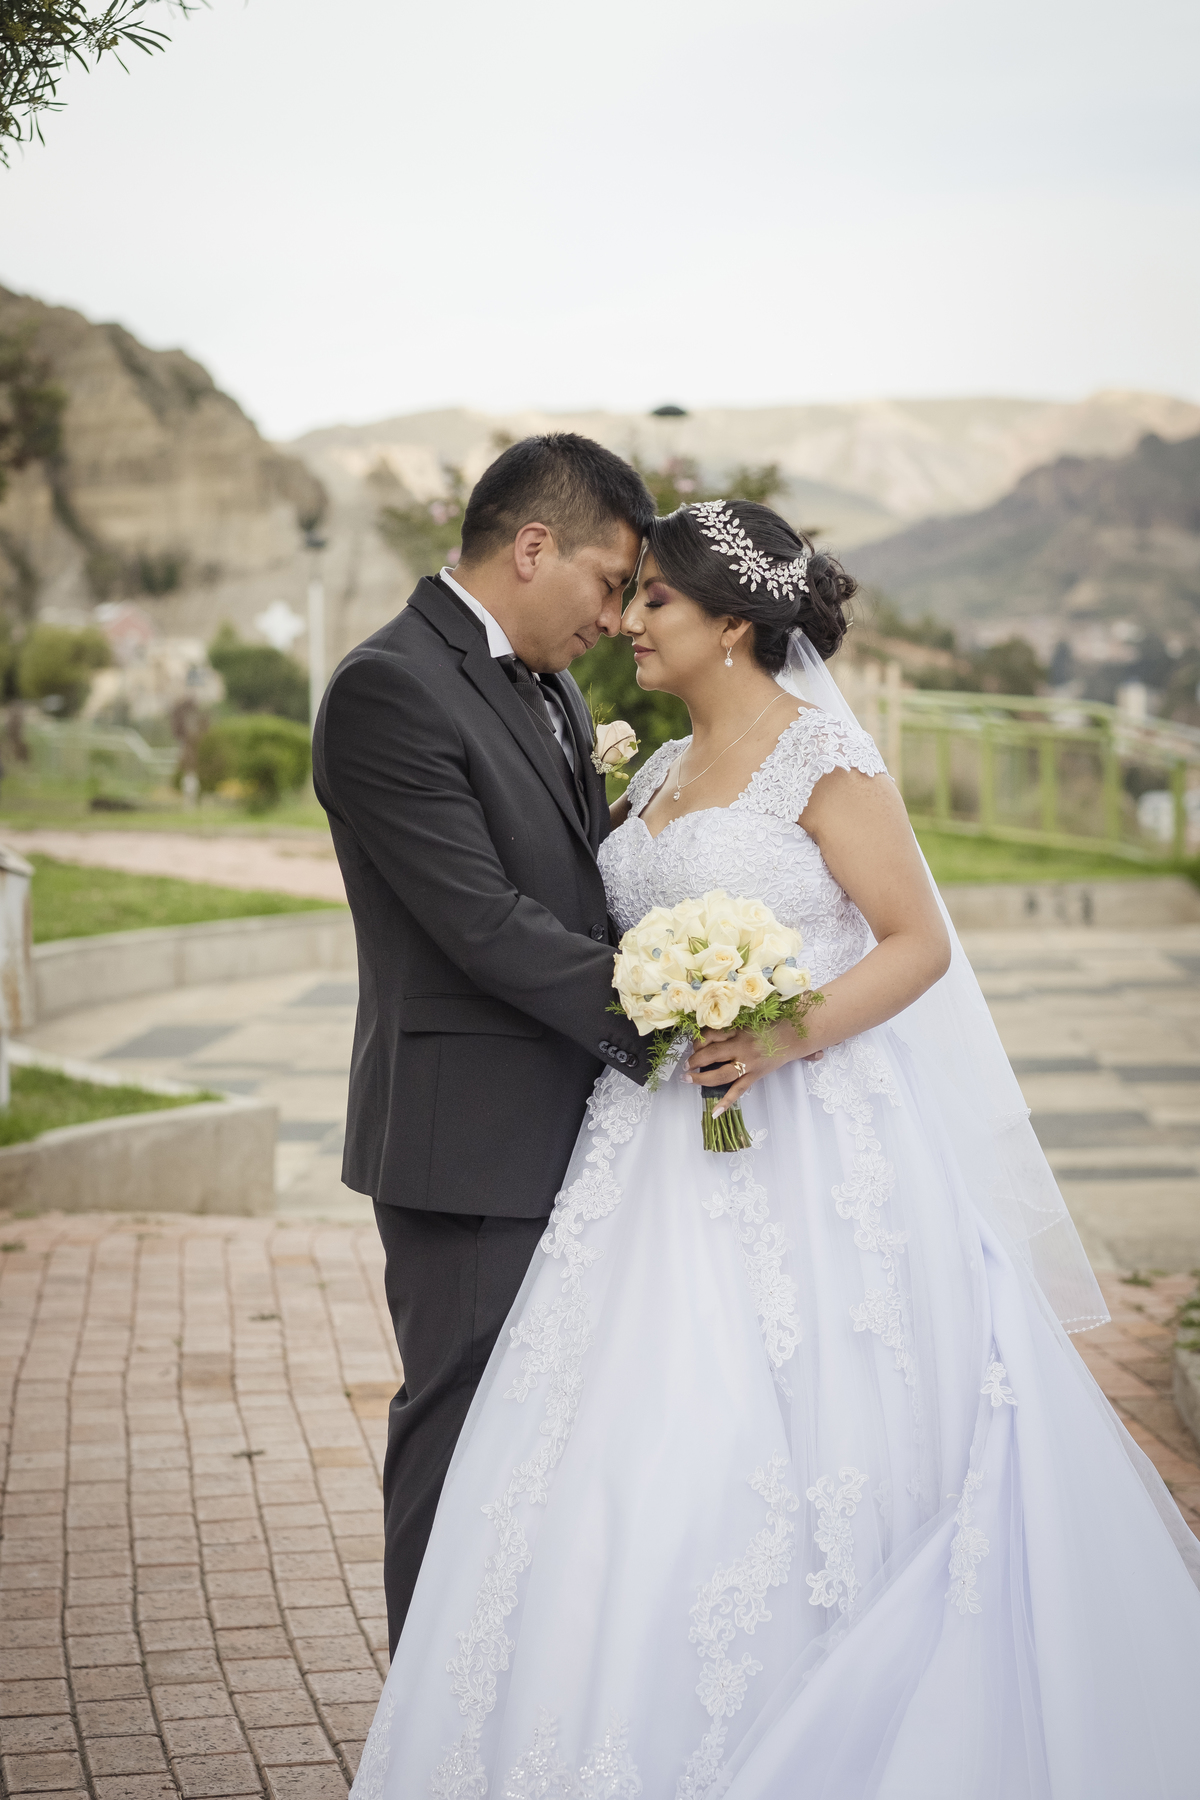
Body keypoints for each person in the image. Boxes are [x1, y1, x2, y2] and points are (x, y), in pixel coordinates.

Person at [350, 496, 1200, 1798]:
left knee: (801, 1437)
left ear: (734, 624)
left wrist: (790, 1028)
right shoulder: (643, 774)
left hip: (803, 1144)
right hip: (643, 1149)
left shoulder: (824, 763)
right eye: (626, 595)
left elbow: (918, 942)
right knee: (624, 1447)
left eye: (657, 602)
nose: (629, 622)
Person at [312, 434, 654, 1649]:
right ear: (531, 546)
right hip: (467, 1148)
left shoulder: (554, 688)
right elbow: (481, 923)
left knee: (549, 1437)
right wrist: (666, 1009)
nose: (615, 619)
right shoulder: (387, 685)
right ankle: (428, 1728)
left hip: (575, 1129)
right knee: (461, 1431)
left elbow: (577, 884)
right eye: (610, 583)